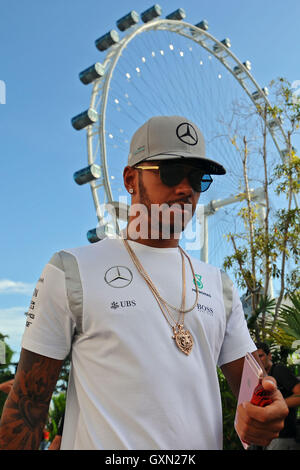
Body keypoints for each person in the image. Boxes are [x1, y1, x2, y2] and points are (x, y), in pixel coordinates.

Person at [0, 115, 288, 450]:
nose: (185, 189)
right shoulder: (71, 270)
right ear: (130, 179)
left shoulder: (219, 285)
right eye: (169, 173)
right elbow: (27, 407)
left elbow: (255, 390)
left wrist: (268, 409)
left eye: (197, 179)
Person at [256, 342, 300, 450]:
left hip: (283, 437)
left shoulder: (279, 370)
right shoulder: (260, 377)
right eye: (255, 358)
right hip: (267, 438)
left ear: (269, 355)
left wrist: (278, 404)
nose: (258, 360)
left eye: (261, 356)